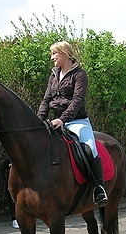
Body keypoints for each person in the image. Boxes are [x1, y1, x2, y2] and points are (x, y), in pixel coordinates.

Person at [36, 41, 108, 206]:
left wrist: (63, 119)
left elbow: (78, 100)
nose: (52, 57)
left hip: (77, 121)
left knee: (89, 150)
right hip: (54, 121)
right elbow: (46, 100)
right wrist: (39, 120)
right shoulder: (53, 75)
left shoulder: (79, 74)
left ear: (65, 54)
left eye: (54, 53)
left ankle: (99, 188)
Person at [0, 157, 18, 228]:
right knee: (12, 201)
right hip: (11, 184)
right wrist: (6, 182)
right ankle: (14, 219)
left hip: (20, 184)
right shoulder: (8, 160)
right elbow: (2, 172)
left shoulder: (20, 158)